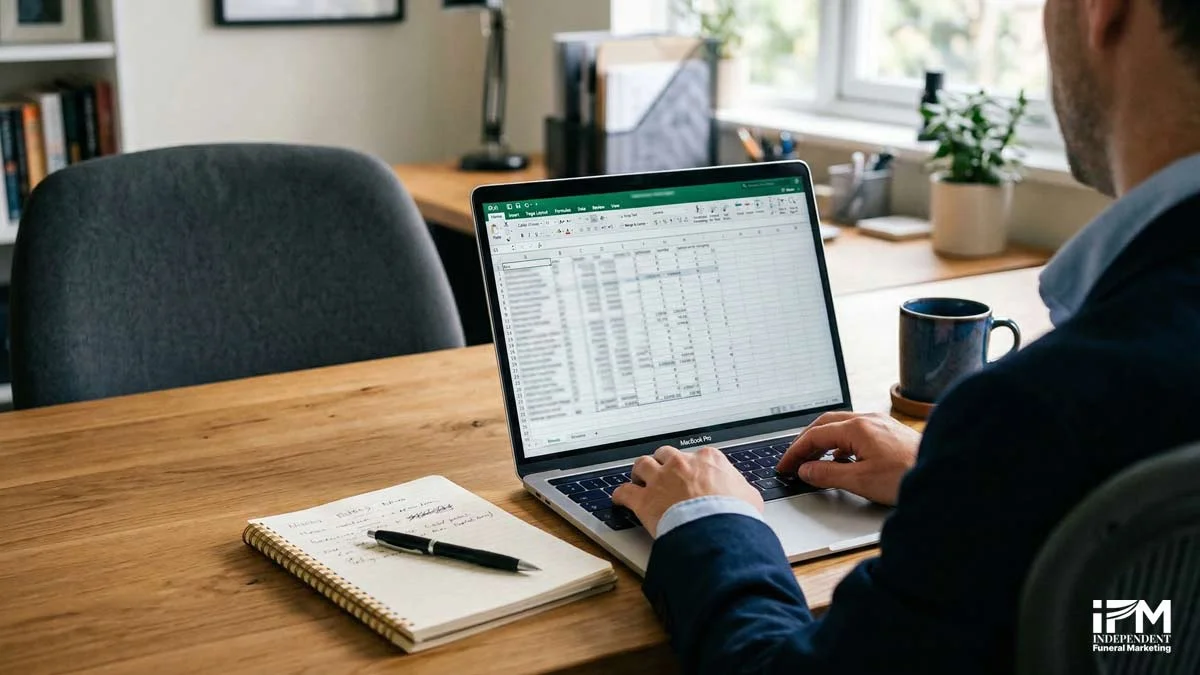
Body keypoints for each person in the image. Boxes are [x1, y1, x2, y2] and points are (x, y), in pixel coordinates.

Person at [611, 1, 1200, 672]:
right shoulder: (1058, 432)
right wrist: (955, 482)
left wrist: (710, 521)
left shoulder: (1036, 412)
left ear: (1102, 10)